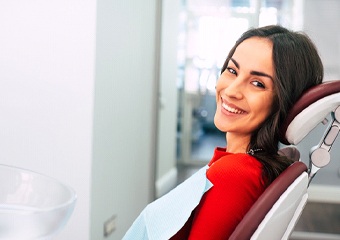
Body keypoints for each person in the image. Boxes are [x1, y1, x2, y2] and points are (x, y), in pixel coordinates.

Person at [123, 25, 324, 240]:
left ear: (286, 101)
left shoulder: (234, 174)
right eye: (232, 71)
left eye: (257, 83)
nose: (231, 91)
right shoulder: (244, 165)